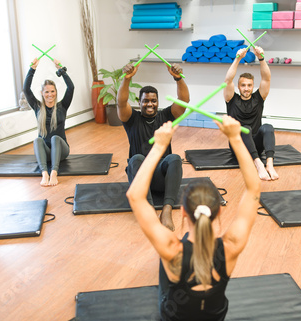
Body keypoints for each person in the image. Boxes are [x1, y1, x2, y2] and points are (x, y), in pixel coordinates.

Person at [126, 117, 260, 320]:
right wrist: (235, 138)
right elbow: (254, 189)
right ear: (219, 212)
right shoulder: (231, 246)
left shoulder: (173, 250)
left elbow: (135, 196)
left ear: (185, 213)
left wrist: (159, 146)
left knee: (165, 259)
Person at [118, 63, 189, 231]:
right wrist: (127, 79)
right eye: (145, 101)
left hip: (160, 179)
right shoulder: (131, 118)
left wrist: (178, 78)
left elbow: (184, 101)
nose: (149, 104)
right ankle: (148, 210)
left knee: (174, 158)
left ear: (158, 102)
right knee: (136, 159)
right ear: (139, 102)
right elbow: (121, 102)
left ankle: (166, 210)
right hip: (140, 179)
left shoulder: (166, 116)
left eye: (153, 101)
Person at [224, 46, 278, 181]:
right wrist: (237, 59)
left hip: (255, 145)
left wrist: (261, 58)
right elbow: (228, 80)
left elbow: (266, 78)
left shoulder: (258, 98)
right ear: (239, 86)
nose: (246, 88)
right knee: (245, 129)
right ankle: (258, 164)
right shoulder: (231, 98)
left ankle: (270, 165)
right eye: (243, 85)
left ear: (252, 86)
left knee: (267, 127)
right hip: (238, 144)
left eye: (249, 85)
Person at [23, 57, 74, 186]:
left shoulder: (63, 106)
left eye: (52, 91)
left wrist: (60, 69)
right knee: (37, 140)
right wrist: (32, 69)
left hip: (62, 150)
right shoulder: (37, 107)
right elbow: (26, 89)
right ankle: (45, 173)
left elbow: (71, 87)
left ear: (56, 93)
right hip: (45, 152)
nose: (50, 94)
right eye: (47, 92)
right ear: (42, 93)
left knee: (55, 138)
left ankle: (54, 173)